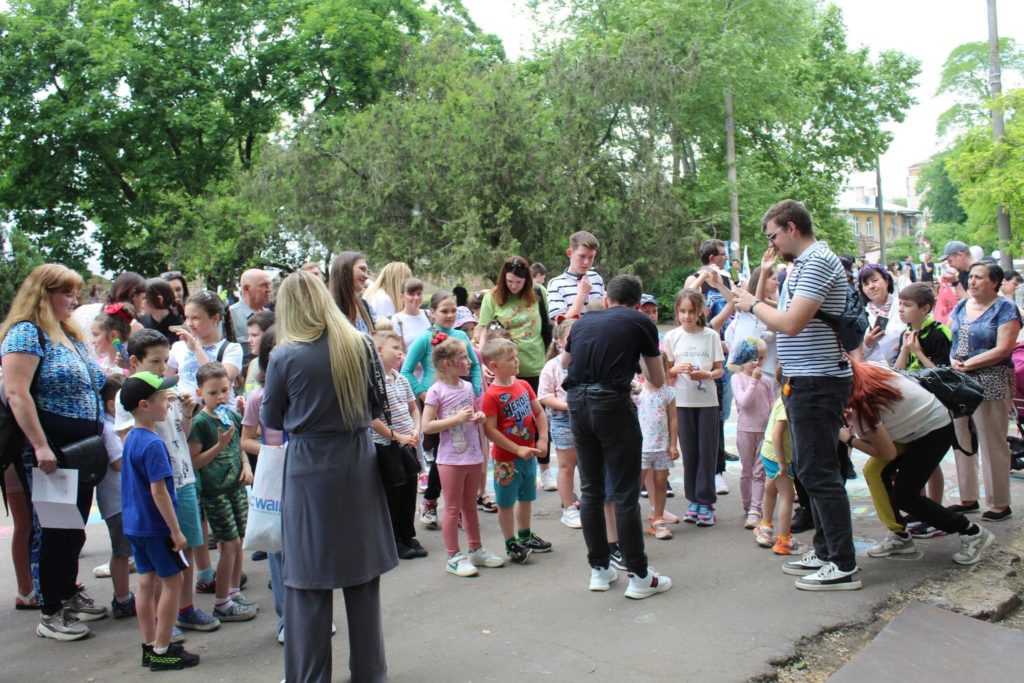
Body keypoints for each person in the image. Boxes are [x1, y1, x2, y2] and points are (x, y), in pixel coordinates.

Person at [261, 270, 397, 683]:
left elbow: (271, 417)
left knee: (307, 583)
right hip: (357, 461)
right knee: (362, 582)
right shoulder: (359, 344)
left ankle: (309, 676)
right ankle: (370, 675)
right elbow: (378, 403)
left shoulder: (285, 356)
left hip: (308, 469)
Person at [734, 199, 860, 591]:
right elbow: (787, 314)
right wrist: (755, 296)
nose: (772, 243)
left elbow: (790, 324)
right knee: (810, 470)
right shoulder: (802, 266)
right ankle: (825, 550)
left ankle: (841, 562)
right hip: (805, 381)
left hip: (819, 382)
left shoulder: (817, 262)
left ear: (791, 227)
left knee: (820, 472)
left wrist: (753, 302)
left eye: (773, 235)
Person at [1, 263, 109, 640]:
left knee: (73, 526)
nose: (74, 300)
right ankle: (49, 610)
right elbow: (17, 393)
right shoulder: (26, 333)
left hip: (80, 450)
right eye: (67, 293)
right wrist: (40, 445)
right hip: (51, 451)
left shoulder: (68, 333)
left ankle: (66, 591)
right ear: (43, 294)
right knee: (53, 529)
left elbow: (95, 382)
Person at [563, 274, 671, 598]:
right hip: (611, 401)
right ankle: (639, 575)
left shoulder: (584, 321)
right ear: (638, 304)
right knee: (625, 491)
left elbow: (567, 361)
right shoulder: (640, 321)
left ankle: (599, 569)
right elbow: (657, 377)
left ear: (607, 299)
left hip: (577, 403)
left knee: (591, 489)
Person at [840, 359, 995, 565]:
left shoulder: (862, 408)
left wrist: (849, 439)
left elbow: (887, 453)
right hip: (914, 428)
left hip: (933, 431)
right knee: (874, 472)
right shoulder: (866, 368)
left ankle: (972, 532)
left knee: (905, 497)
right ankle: (899, 536)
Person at [116, 329, 220, 634]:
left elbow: (182, 436)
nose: (163, 367)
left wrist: (186, 413)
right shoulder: (136, 401)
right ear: (135, 362)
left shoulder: (166, 393)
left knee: (182, 553)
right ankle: (163, 629)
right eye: (156, 361)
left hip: (183, 482)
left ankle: (181, 612)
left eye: (166, 360)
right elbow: (132, 446)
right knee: (163, 565)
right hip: (158, 493)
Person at [119, 371, 201, 671]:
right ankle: (163, 649)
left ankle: (150, 643)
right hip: (157, 527)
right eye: (161, 399)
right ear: (144, 405)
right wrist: (176, 531)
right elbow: (159, 492)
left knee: (145, 582)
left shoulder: (132, 438)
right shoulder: (153, 444)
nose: (167, 403)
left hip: (136, 524)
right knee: (173, 581)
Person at [947, 260, 1021, 521]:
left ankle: (999, 503)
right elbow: (953, 339)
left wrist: (968, 363)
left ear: (995, 282)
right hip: (959, 382)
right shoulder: (961, 306)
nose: (973, 281)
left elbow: (1003, 349)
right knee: (961, 440)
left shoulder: (1006, 309)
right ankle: (968, 498)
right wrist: (954, 361)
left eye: (980, 277)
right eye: (972, 277)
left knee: (992, 442)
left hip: (991, 379)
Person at [401, 291, 483, 527]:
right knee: (442, 456)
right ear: (432, 313)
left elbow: (475, 366)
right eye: (444, 311)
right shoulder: (425, 338)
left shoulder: (460, 336)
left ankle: (457, 505)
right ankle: (431, 500)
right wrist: (424, 393)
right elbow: (406, 370)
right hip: (436, 406)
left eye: (453, 311)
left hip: (462, 402)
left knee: (463, 452)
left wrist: (474, 391)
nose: (449, 315)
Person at [188, 362, 256, 622]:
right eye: (213, 392)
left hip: (236, 486)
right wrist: (218, 445)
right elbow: (196, 462)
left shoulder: (231, 415)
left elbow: (241, 443)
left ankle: (234, 591)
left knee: (239, 541)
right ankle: (221, 602)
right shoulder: (200, 422)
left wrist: (247, 465)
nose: (220, 397)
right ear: (200, 392)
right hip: (215, 492)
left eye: (224, 390)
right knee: (229, 544)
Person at [482, 338, 552, 563]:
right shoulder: (491, 397)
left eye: (515, 357)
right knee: (505, 502)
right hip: (506, 461)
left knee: (526, 497)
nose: (516, 362)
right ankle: (511, 542)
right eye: (510, 359)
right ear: (494, 366)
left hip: (528, 456)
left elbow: (539, 413)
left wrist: (542, 440)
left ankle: (525, 534)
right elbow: (490, 431)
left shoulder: (523, 385)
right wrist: (517, 449)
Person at [666, 288, 724, 526]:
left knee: (707, 452)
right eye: (683, 311)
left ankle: (706, 502)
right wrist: (675, 370)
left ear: (700, 311)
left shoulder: (710, 336)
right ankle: (693, 500)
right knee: (689, 453)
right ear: (677, 312)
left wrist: (706, 374)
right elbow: (664, 371)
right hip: (682, 402)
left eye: (691, 311)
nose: (687, 316)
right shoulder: (671, 337)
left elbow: (720, 370)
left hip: (707, 402)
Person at [367, 330, 426, 561]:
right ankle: (394, 539)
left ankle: (407, 534)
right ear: (380, 350)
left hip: (407, 443)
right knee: (393, 493)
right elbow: (372, 420)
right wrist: (395, 436)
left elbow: (413, 408)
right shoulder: (373, 382)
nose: (400, 353)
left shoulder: (401, 379)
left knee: (410, 490)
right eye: (395, 348)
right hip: (387, 446)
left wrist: (415, 429)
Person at [96, 374, 136, 620]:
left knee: (124, 550)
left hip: (120, 502)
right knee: (122, 552)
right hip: (118, 503)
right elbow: (120, 462)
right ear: (113, 405)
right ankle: (122, 599)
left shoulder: (111, 427)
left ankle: (123, 597)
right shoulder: (110, 430)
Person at [538, 319, 581, 529]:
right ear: (559, 342)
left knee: (589, 466)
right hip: (564, 422)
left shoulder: (587, 361)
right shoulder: (552, 366)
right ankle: (568, 508)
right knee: (566, 467)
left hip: (587, 419)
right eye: (571, 339)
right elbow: (544, 396)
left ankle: (589, 503)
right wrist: (567, 406)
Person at [754, 385, 806, 556]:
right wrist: (783, 463)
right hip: (778, 456)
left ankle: (765, 526)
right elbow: (778, 435)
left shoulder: (782, 398)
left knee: (770, 489)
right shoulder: (786, 405)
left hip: (769, 452)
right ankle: (784, 540)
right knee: (787, 495)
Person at [167, 291, 244, 397]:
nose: (189, 324)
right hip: (185, 412)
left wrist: (196, 348)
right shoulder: (179, 347)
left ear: (215, 318)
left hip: (215, 412)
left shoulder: (232, 349)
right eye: (187, 317)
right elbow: (165, 378)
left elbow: (216, 382)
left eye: (195, 318)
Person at [731, 346, 773, 529]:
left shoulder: (767, 381)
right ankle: (747, 504)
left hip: (763, 431)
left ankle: (755, 509)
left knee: (759, 472)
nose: (756, 362)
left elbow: (771, 405)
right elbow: (744, 402)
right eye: (752, 358)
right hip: (745, 431)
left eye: (760, 358)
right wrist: (754, 382)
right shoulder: (737, 378)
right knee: (747, 471)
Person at [637, 352, 678, 540]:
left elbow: (673, 419)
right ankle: (630, 517)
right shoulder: (638, 391)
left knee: (661, 481)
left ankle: (658, 518)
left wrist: (673, 445)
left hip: (661, 446)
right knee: (636, 483)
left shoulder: (668, 393)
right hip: (641, 447)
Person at [547, 230, 605, 321]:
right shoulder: (556, 284)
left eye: (591, 257)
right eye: (582, 256)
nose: (586, 262)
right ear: (570, 253)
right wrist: (582, 294)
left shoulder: (596, 279)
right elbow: (562, 324)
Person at [857, 263, 903, 365]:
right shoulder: (858, 314)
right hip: (873, 374)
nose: (871, 286)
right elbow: (854, 354)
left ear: (886, 281)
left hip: (903, 371)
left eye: (875, 281)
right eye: (866, 284)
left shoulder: (902, 306)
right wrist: (867, 344)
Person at [228, 269, 273, 370]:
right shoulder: (230, 315)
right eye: (264, 285)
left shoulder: (271, 316)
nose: (269, 289)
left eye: (270, 285)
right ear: (247, 288)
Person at [330, 251, 376, 335]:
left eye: (367, 272)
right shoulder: (330, 308)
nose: (366, 276)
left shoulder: (365, 305)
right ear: (345, 269)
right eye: (362, 269)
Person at [91, 303, 135, 375]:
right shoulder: (98, 365)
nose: (92, 341)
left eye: (96, 334)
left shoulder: (130, 370)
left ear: (113, 335)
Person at [391, 277, 431, 352]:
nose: (416, 297)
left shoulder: (429, 315)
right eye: (411, 294)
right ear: (402, 297)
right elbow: (399, 352)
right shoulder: (397, 320)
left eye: (419, 294)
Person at [140, 278, 185, 344]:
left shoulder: (180, 327)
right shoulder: (142, 323)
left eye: (144, 298)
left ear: (159, 300)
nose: (140, 302)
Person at [243, 310, 275, 395]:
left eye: (254, 335)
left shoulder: (277, 364)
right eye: (249, 335)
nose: (249, 340)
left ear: (269, 335)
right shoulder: (253, 363)